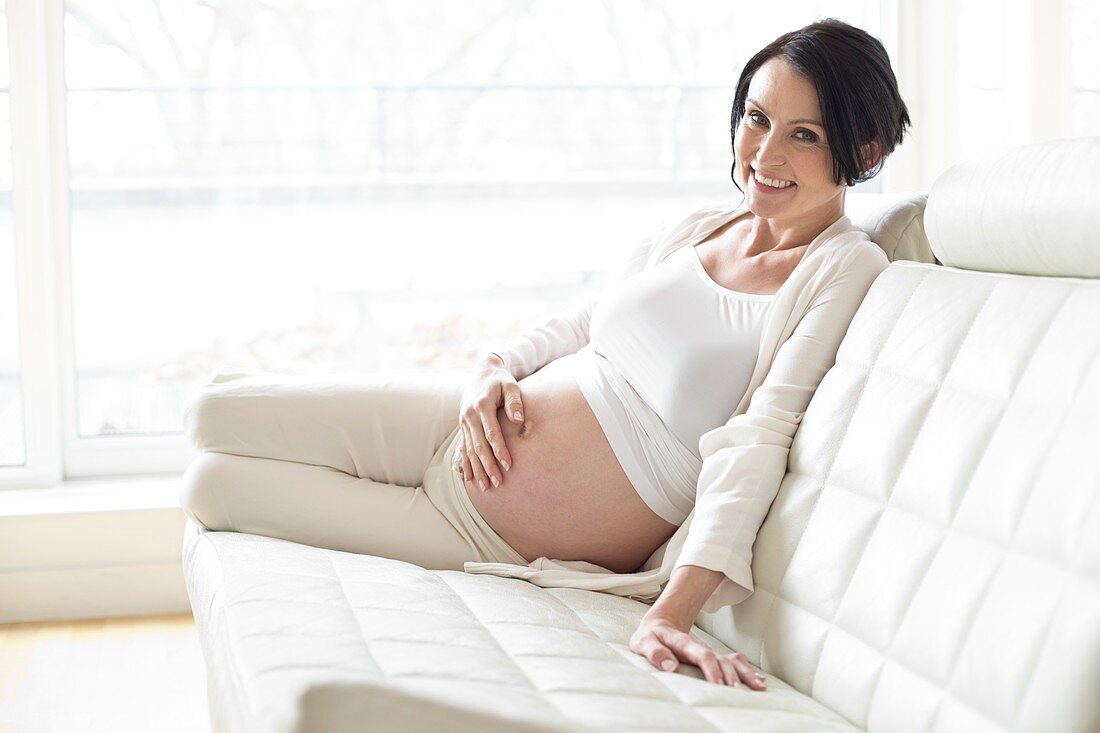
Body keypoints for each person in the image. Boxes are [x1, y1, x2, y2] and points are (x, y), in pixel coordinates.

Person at [180, 17, 909, 692]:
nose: (764, 153)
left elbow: (760, 441)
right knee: (213, 412)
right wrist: (493, 366)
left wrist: (672, 612)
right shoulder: (704, 225)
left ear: (864, 151)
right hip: (457, 420)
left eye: (804, 135)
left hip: (476, 528)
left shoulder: (843, 268)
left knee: (215, 488)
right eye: (756, 118)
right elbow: (589, 317)